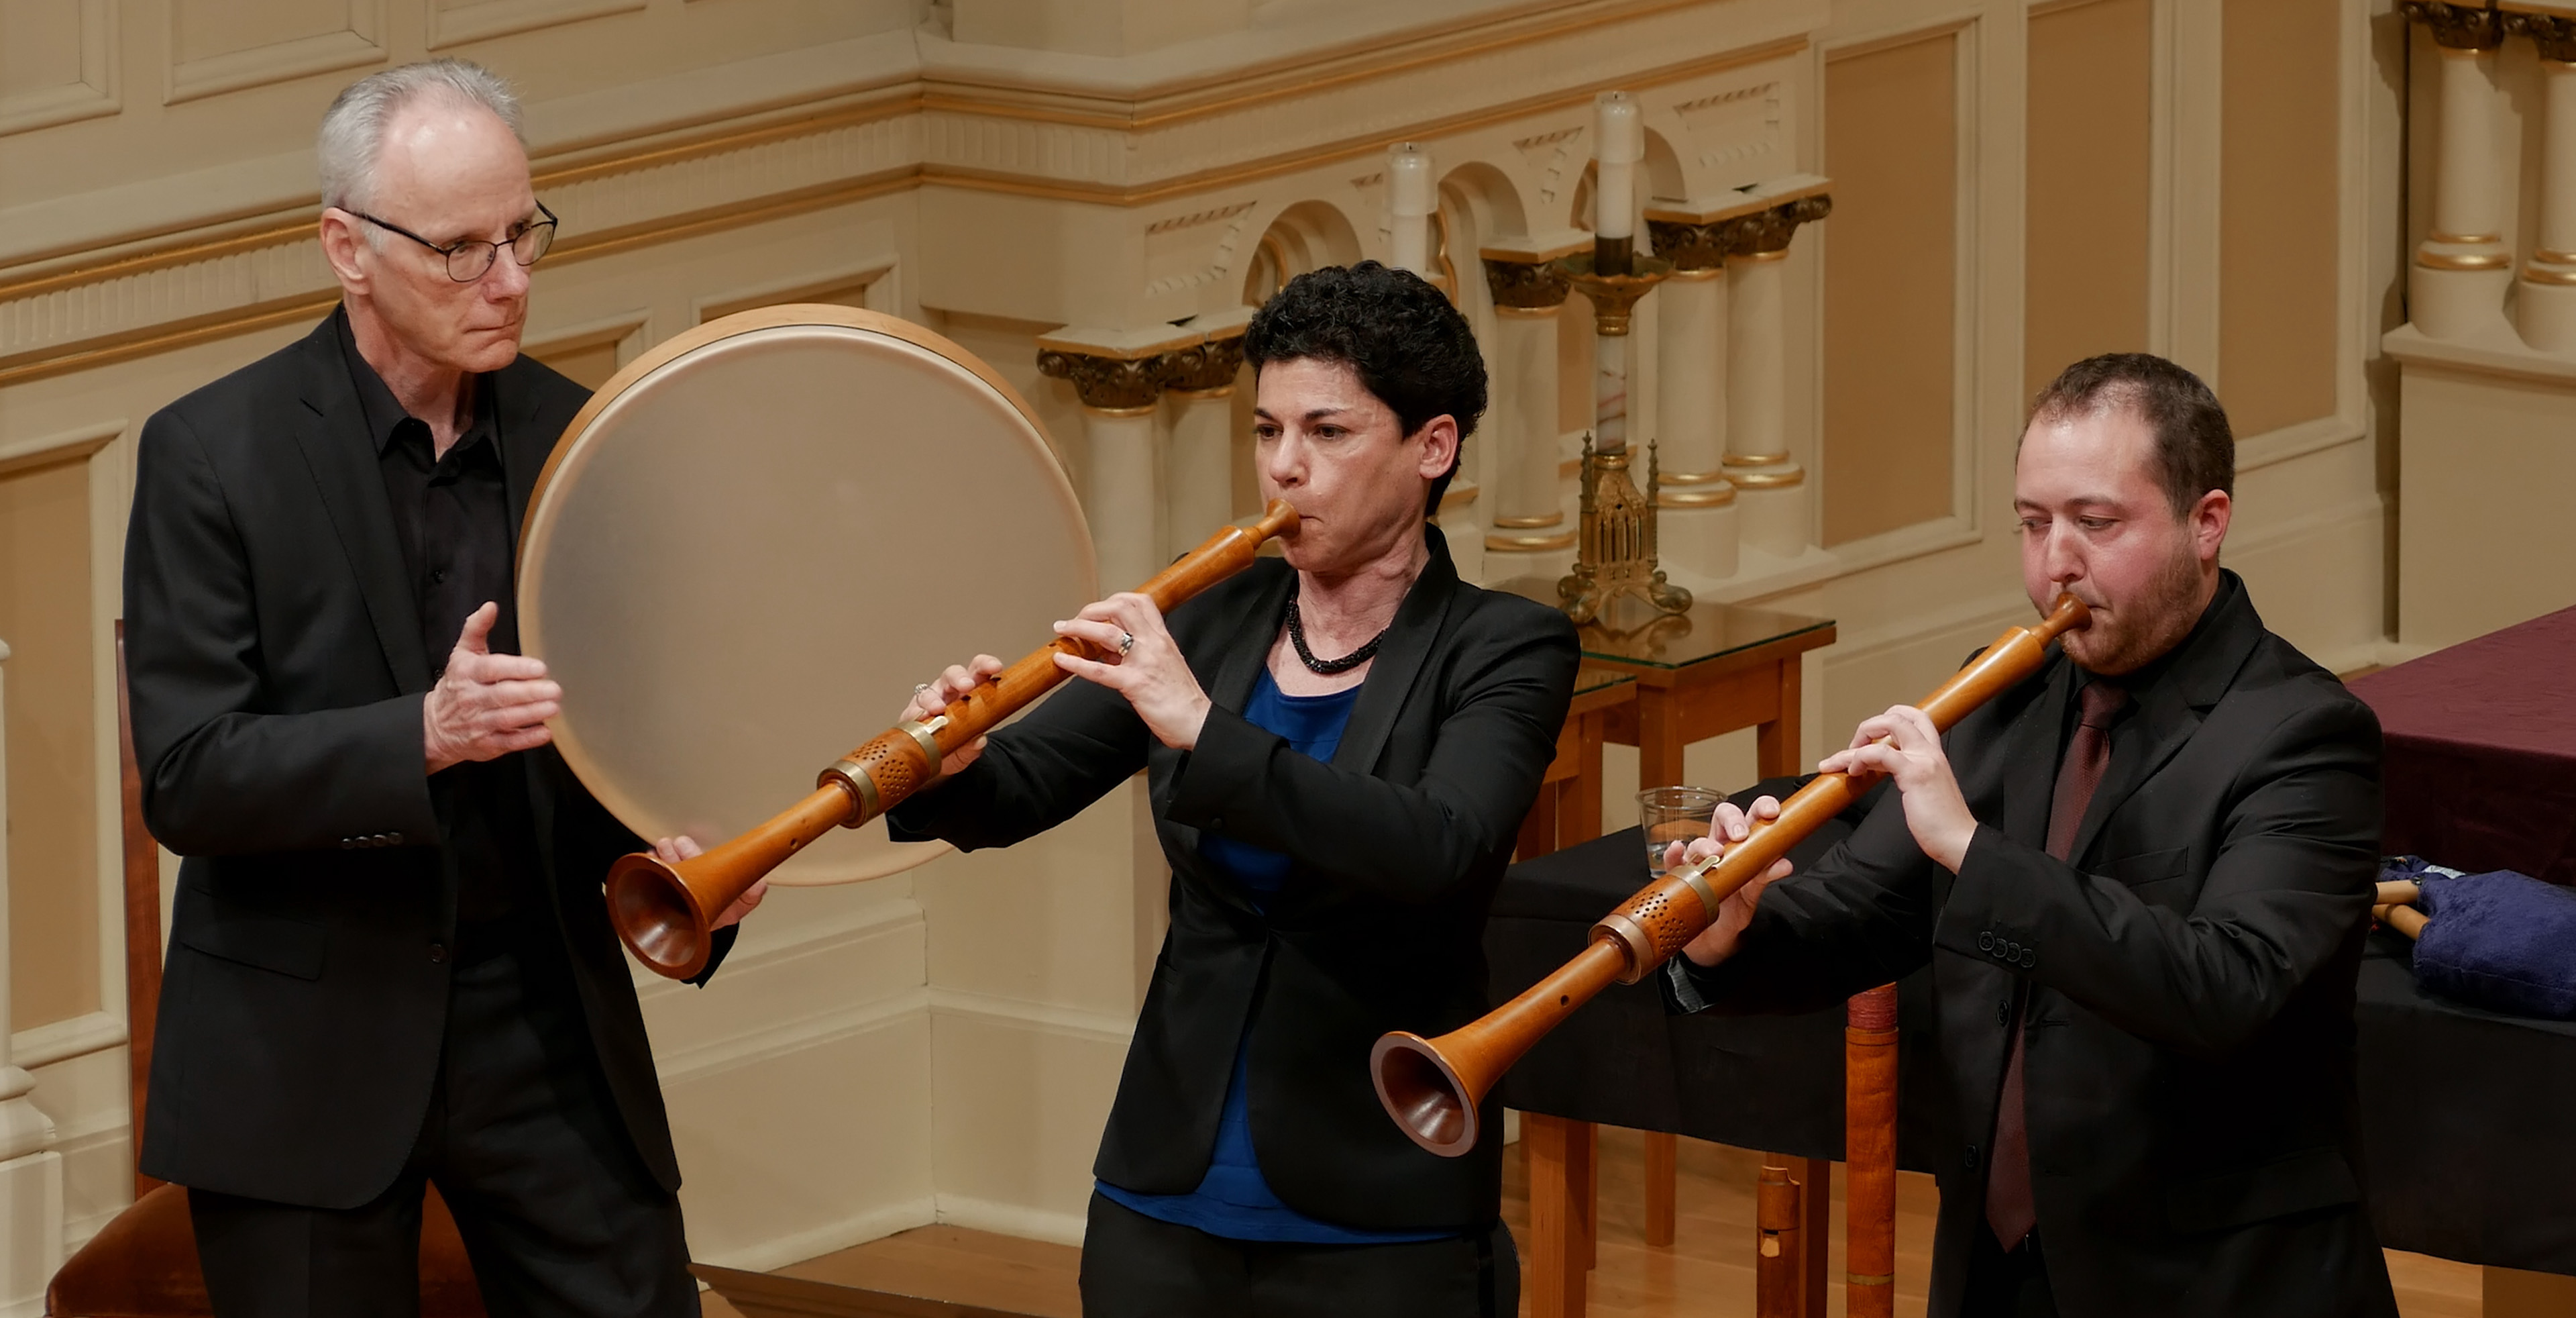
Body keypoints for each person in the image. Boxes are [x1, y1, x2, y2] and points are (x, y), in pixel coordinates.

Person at [123, 59, 757, 1315]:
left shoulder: (586, 440)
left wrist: (695, 850)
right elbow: (191, 776)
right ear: (345, 248)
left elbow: (622, 739)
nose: (511, 280)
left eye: (524, 233)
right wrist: (423, 735)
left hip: (543, 1025)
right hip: (304, 1046)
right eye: (463, 249)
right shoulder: (212, 454)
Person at [887, 262, 1578, 1315]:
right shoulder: (1209, 615)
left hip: (1380, 1201)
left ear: (1431, 448)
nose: (1285, 470)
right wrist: (950, 762)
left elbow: (1436, 847)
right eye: (1267, 432)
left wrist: (1201, 724)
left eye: (1328, 434)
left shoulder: (1504, 646)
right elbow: (1019, 792)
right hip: (1167, 1186)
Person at [1662, 354, 2398, 1318]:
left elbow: (2228, 987)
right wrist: (1733, 932)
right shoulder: (2001, 697)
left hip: (2212, 1285)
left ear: (2205, 522)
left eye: (2096, 524)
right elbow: (1856, 916)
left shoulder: (2302, 733)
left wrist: (1971, 848)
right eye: (2032, 523)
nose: (2056, 561)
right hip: (1999, 1276)